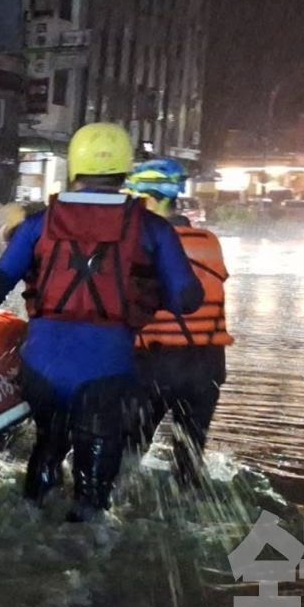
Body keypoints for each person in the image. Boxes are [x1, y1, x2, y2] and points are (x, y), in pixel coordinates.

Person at [0, 123, 203, 521]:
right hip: (106, 369)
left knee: (48, 445)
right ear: (125, 171)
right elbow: (189, 298)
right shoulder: (152, 229)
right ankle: (83, 535)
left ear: (75, 168)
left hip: (42, 368)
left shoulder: (39, 223)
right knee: (93, 486)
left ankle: (33, 512)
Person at [126, 158, 233, 489]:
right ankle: (190, 500)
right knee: (189, 458)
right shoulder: (209, 241)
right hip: (207, 366)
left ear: (152, 200)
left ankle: (114, 516)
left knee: (129, 453)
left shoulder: (140, 245)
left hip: (156, 364)